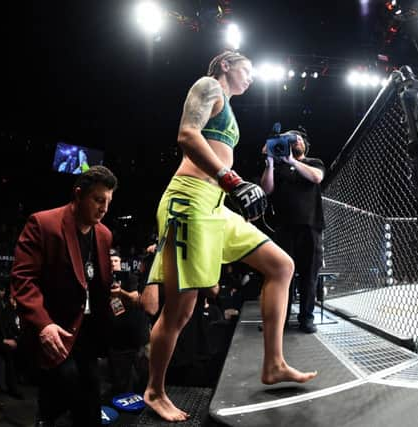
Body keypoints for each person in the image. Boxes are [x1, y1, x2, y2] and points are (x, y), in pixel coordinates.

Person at [144, 51, 317, 422]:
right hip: (188, 200)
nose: (252, 76)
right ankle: (154, 390)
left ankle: (273, 364)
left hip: (216, 204)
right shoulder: (207, 86)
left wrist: (232, 183)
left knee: (281, 266)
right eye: (247, 69)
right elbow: (187, 135)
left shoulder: (230, 109)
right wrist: (233, 179)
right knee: (180, 311)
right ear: (225, 65)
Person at [10, 165, 117, 426]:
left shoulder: (104, 234)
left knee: (91, 399)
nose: (104, 208)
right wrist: (44, 325)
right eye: (98, 200)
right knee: (58, 398)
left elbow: (98, 285)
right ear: (78, 194)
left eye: (108, 202)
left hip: (88, 334)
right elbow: (23, 280)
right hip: (55, 331)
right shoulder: (43, 223)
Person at [260, 127, 325, 333]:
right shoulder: (278, 168)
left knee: (309, 276)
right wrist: (270, 164)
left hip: (310, 226)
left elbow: (316, 178)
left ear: (305, 144)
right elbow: (267, 189)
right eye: (290, 139)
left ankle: (306, 318)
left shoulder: (313, 162)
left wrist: (292, 161)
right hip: (284, 227)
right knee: (282, 274)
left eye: (298, 139)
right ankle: (281, 319)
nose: (295, 141)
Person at [106, 248, 148, 395]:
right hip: (116, 338)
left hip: (136, 335)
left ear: (121, 263)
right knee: (119, 380)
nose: (113, 264)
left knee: (142, 375)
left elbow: (136, 298)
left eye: (116, 261)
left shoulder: (131, 277)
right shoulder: (103, 280)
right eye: (110, 261)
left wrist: (120, 293)